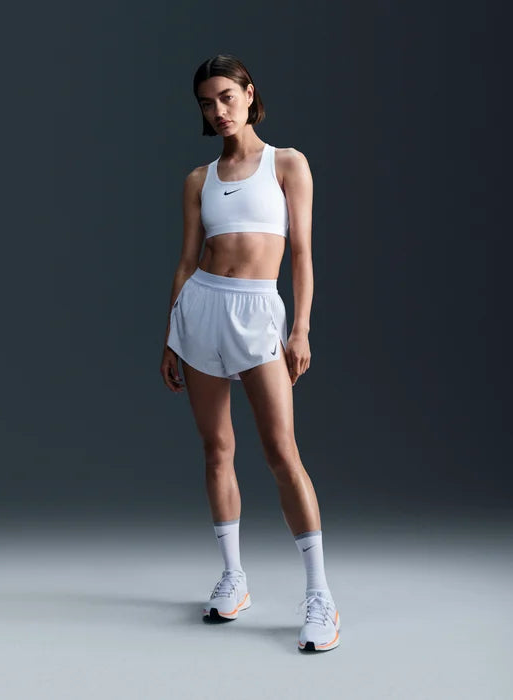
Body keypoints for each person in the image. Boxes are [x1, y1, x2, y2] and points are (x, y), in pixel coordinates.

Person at [159, 55, 340, 652]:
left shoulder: (287, 164)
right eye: (206, 103)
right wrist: (170, 332)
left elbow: (302, 254)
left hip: (258, 311)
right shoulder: (198, 179)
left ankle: (320, 595)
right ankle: (233, 577)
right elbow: (187, 261)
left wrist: (301, 329)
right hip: (201, 309)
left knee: (282, 453)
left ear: (249, 94)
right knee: (216, 449)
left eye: (226, 97)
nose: (217, 111)